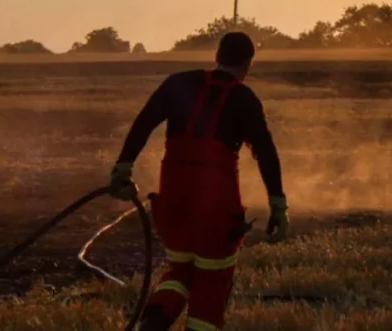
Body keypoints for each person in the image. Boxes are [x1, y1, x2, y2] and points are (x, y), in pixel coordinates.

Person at [108, 32, 289, 331]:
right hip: (217, 204)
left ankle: (151, 324)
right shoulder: (244, 99)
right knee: (212, 283)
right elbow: (266, 152)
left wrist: (122, 168)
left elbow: (144, 122)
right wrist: (278, 204)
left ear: (216, 57)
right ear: (247, 65)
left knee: (181, 270)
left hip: (173, 198)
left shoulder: (179, 83)